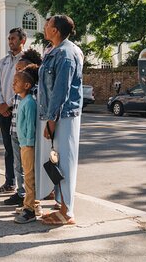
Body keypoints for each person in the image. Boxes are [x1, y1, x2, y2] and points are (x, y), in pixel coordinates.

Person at [35, 15, 84, 226]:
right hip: (56, 114)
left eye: (47, 25)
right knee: (57, 160)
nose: (44, 27)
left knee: (65, 161)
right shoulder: (55, 51)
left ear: (55, 30)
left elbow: (60, 90)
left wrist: (52, 120)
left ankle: (67, 212)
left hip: (64, 115)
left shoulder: (66, 53)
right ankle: (62, 206)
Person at [4, 49, 42, 208]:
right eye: (16, 70)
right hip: (16, 133)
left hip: (26, 140)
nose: (17, 73)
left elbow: (30, 123)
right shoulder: (19, 95)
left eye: (21, 70)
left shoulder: (31, 96)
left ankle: (30, 202)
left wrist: (27, 140)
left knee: (28, 172)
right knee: (18, 166)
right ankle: (22, 194)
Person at [0, 27, 26, 194]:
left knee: (22, 148)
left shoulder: (26, 61)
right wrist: (0, 103)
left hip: (18, 109)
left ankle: (25, 188)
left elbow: (26, 86)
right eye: (9, 38)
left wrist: (10, 104)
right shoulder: (3, 62)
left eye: (13, 38)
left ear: (22, 41)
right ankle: (9, 182)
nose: (11, 41)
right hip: (3, 109)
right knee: (8, 148)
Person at [13, 64, 41, 224]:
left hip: (27, 145)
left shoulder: (29, 102)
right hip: (23, 143)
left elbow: (30, 125)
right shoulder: (22, 100)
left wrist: (28, 144)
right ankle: (32, 204)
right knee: (27, 175)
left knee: (29, 177)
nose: (13, 84)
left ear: (27, 85)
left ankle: (30, 210)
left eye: (16, 81)